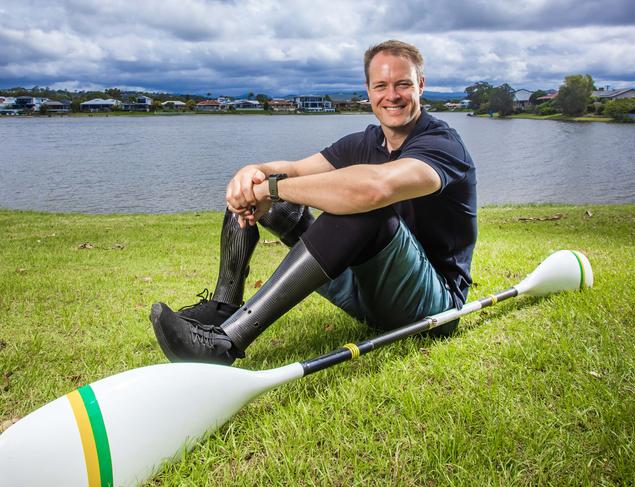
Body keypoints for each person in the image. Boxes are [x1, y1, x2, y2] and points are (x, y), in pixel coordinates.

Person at [150, 39, 477, 365]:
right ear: (368, 90)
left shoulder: (442, 145)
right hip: (365, 293)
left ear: (420, 85)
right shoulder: (365, 142)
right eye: (381, 85)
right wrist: (253, 174)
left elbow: (374, 190)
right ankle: (223, 307)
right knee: (262, 190)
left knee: (362, 205)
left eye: (403, 84)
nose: (391, 95)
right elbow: (293, 170)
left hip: (431, 307)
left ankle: (224, 343)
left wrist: (272, 189)